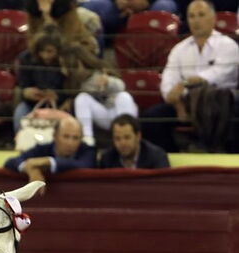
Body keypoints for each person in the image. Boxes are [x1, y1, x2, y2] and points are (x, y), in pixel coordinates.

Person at [142, 0, 239, 153]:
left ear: (214, 18)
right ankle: (170, 158)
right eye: (192, 16)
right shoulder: (179, 49)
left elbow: (218, 75)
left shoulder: (228, 45)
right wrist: (177, 103)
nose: (196, 20)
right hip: (185, 101)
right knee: (152, 117)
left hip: (221, 101)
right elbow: (168, 81)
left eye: (201, 15)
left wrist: (186, 84)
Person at [4, 116, 96, 185]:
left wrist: (48, 161)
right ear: (55, 136)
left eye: (75, 138)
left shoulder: (87, 150)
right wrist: (30, 169)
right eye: (66, 136)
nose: (70, 142)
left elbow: (83, 165)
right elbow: (11, 162)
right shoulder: (43, 149)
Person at [13, 27, 68, 134]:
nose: (45, 55)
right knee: (20, 118)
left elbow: (72, 87)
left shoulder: (66, 60)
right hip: (32, 104)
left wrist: (59, 96)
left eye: (50, 51)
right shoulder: (26, 58)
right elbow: (23, 84)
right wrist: (26, 92)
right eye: (41, 51)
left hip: (60, 105)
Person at [73, 67, 138, 146]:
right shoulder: (85, 83)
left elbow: (122, 86)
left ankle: (128, 135)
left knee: (124, 96)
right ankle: (87, 141)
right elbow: (86, 91)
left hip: (120, 110)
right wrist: (98, 86)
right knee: (81, 98)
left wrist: (108, 82)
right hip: (105, 113)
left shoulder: (106, 72)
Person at [97, 114, 170, 168]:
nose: (122, 143)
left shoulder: (156, 156)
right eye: (117, 139)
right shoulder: (107, 159)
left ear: (138, 136)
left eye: (127, 137)